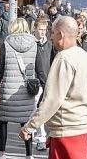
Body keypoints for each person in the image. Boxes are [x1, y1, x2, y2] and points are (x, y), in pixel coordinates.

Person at [20, 16, 87, 159]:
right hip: (82, 129)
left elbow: (52, 99)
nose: (50, 37)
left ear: (61, 34)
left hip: (65, 131)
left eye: (52, 32)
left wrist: (30, 126)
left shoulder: (63, 58)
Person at [0, 18, 39, 159]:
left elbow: (1, 68)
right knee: (26, 122)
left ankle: (2, 152)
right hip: (26, 90)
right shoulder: (34, 44)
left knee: (3, 121)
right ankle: (29, 154)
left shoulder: (6, 43)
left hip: (8, 89)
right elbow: (38, 67)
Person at [32, 18, 54, 151]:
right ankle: (40, 136)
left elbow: (52, 61)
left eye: (44, 30)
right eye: (40, 29)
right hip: (35, 82)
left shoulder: (49, 44)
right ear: (35, 29)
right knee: (36, 108)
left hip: (47, 80)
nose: (42, 32)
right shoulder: (31, 43)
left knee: (43, 109)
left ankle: (40, 135)